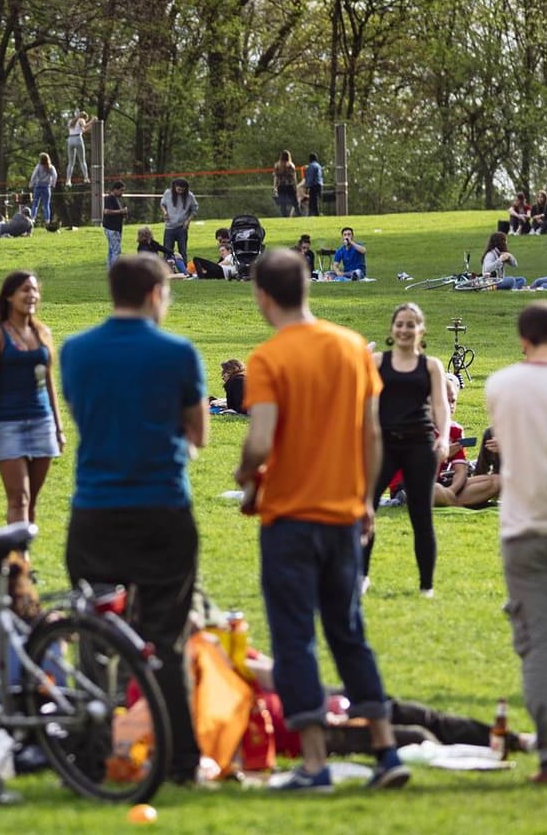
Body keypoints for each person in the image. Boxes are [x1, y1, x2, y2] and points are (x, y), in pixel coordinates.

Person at [232, 250, 409, 792]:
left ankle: (314, 764)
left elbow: (261, 439)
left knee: (294, 638)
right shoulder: (353, 347)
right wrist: (364, 500)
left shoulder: (268, 359)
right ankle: (385, 751)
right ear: (307, 287)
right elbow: (372, 434)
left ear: (263, 295)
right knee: (349, 632)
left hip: (290, 518)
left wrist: (247, 476)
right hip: (343, 515)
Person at [58, 254, 208, 782]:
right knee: (163, 639)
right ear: (153, 294)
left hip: (95, 511)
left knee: (97, 639)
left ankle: (93, 752)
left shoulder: (75, 351)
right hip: (161, 508)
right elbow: (198, 434)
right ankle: (181, 760)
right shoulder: (178, 353)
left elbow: (83, 415)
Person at [360, 304, 450, 597]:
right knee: (366, 508)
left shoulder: (431, 365)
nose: (404, 330)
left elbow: (440, 406)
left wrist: (444, 437)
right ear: (392, 329)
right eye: (400, 324)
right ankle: (361, 577)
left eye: (411, 325)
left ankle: (426, 586)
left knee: (421, 515)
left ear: (420, 330)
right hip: (383, 443)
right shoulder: (376, 361)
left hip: (420, 444)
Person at [0, 272, 63, 523]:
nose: (31, 295)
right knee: (18, 499)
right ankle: (16, 560)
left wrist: (58, 427)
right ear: (9, 296)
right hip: (7, 424)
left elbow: (49, 381)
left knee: (32, 501)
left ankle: (22, 558)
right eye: (25, 290)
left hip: (42, 422)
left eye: (34, 290)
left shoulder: (42, 332)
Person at [159, 179, 198, 264]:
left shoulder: (190, 196)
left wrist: (188, 221)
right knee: (167, 250)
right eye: (178, 189)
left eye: (182, 190)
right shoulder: (167, 193)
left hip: (182, 227)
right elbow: (162, 204)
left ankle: (184, 270)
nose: (180, 192)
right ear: (174, 187)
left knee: (182, 251)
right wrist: (165, 212)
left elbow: (194, 210)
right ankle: (167, 270)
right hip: (169, 226)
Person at [102, 180, 126, 265]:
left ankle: (111, 271)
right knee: (116, 251)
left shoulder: (115, 199)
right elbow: (106, 211)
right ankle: (115, 271)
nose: (122, 193)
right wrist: (121, 211)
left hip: (115, 229)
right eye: (121, 190)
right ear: (115, 189)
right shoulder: (110, 198)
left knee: (111, 250)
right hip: (112, 229)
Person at [29, 153, 57, 226]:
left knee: (35, 204)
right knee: (46, 205)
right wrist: (53, 184)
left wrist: (31, 183)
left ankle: (32, 218)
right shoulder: (51, 167)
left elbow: (34, 175)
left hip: (38, 186)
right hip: (47, 187)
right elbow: (55, 175)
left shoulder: (38, 166)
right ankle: (47, 220)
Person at [273, 151, 300, 218]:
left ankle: (284, 216)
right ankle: (299, 214)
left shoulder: (277, 165)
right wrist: (295, 187)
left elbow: (275, 177)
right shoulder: (291, 165)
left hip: (281, 186)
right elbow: (294, 178)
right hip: (289, 185)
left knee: (282, 203)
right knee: (294, 202)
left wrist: (275, 187)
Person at [65, 110, 89, 184]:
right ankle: (86, 178)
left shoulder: (70, 121)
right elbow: (84, 126)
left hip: (70, 139)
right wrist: (93, 121)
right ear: (84, 117)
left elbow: (83, 130)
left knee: (71, 162)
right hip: (78, 139)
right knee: (82, 160)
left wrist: (91, 125)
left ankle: (68, 180)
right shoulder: (81, 120)